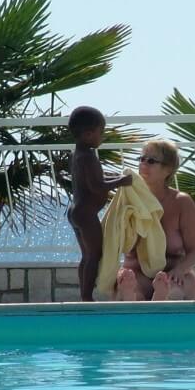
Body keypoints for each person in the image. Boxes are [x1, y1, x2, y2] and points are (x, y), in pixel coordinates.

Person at [115, 139, 195, 301]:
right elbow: (113, 241)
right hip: (136, 274)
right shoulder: (128, 200)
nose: (144, 164)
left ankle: (160, 297)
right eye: (142, 159)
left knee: (175, 291)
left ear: (167, 169)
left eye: (151, 161)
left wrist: (179, 269)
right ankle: (140, 299)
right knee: (129, 290)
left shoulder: (181, 202)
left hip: (172, 273)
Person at [67, 106, 133, 301]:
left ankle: (84, 295)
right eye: (101, 132)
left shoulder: (78, 154)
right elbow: (97, 185)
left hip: (76, 212)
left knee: (87, 256)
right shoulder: (88, 157)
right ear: (88, 134)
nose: (102, 137)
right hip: (86, 215)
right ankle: (87, 297)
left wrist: (115, 177)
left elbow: (93, 179)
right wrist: (121, 182)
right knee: (95, 255)